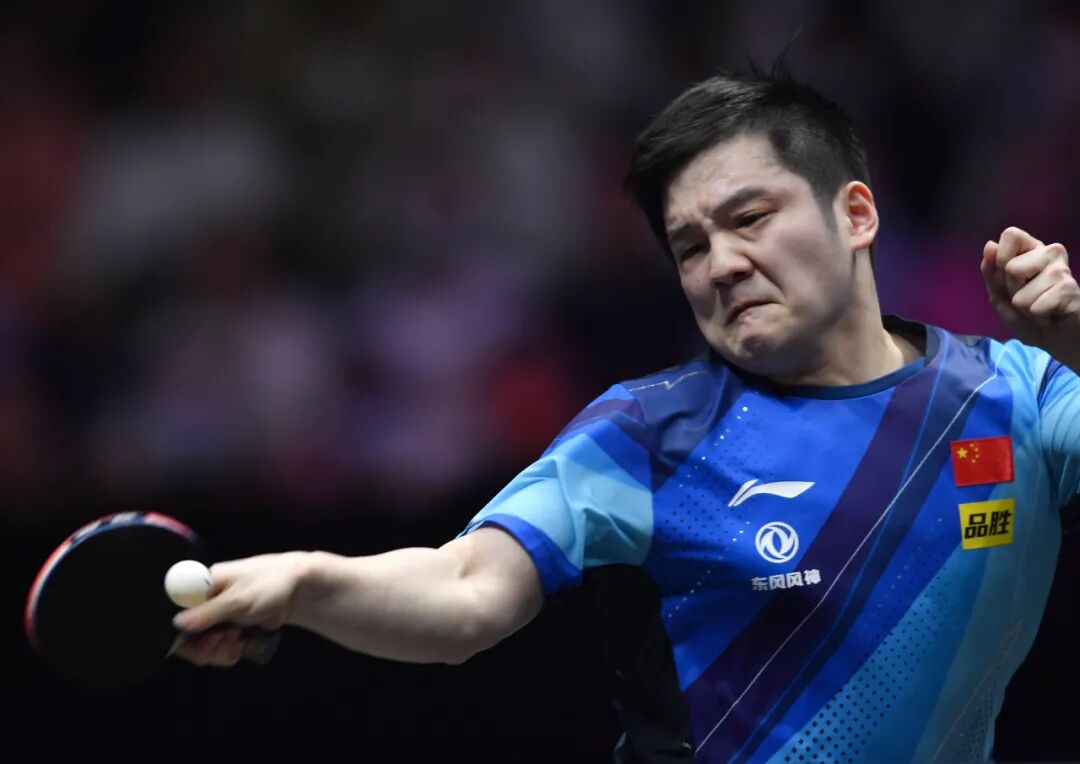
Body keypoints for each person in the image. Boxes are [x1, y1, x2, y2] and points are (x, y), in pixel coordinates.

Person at [172, 68, 1080, 763]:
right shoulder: (649, 435)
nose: (721, 264)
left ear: (856, 215)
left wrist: (1078, 343)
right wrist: (310, 583)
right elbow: (464, 591)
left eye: (750, 218)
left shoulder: (1021, 395)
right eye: (690, 246)